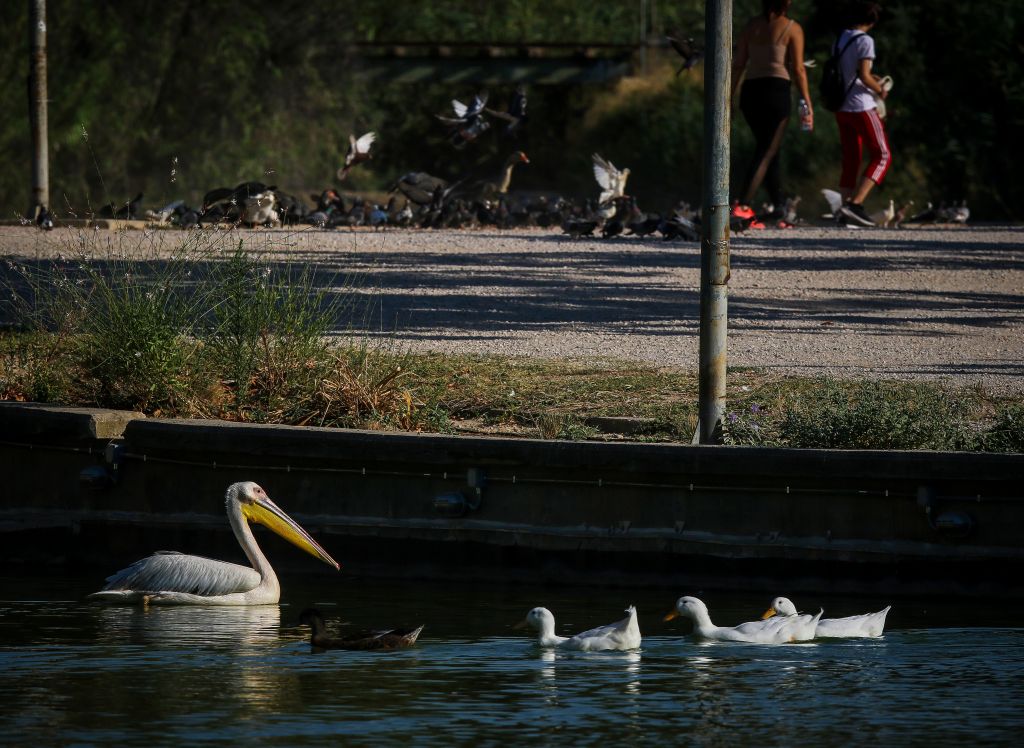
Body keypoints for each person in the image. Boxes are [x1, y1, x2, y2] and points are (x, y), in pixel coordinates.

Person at [731, 0, 814, 229]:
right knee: (766, 150)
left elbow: (738, 64)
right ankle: (743, 205)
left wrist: (728, 96)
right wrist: (806, 100)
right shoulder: (792, 28)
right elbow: (798, 68)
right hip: (776, 92)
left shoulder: (750, 26)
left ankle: (778, 207)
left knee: (769, 148)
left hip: (750, 92)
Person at [835, 1, 891, 227]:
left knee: (851, 160)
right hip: (861, 106)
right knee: (882, 155)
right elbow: (865, 76)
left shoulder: (841, 37)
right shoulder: (865, 40)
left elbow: (849, 72)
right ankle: (855, 205)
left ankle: (844, 209)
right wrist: (881, 89)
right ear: (872, 21)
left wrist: (869, 79)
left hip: (841, 106)